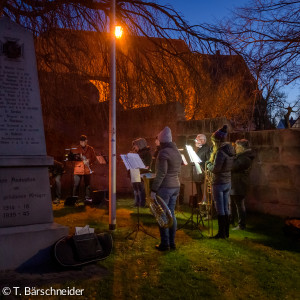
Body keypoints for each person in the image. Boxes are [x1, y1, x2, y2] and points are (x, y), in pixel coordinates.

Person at [150, 127, 182, 251]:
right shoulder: (176, 151)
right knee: (171, 214)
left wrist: (153, 190)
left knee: (162, 216)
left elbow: (161, 173)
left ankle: (165, 244)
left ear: (162, 140)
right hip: (176, 186)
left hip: (165, 187)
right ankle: (172, 243)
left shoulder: (163, 153)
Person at [207, 125, 235, 239]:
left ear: (217, 140)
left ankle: (221, 233)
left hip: (219, 183)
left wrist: (208, 164)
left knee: (220, 208)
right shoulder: (230, 149)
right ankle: (226, 233)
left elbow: (215, 168)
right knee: (226, 207)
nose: (213, 143)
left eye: (213, 141)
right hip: (227, 181)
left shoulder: (220, 152)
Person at [230, 139, 255, 230]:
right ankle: (231, 220)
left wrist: (231, 157)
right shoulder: (241, 156)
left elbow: (232, 167)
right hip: (235, 183)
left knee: (239, 205)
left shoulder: (244, 158)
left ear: (241, 148)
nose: (235, 148)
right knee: (233, 203)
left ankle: (241, 225)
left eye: (236, 146)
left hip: (239, 184)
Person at [72, 135, 97, 202]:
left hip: (87, 169)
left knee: (87, 185)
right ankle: (74, 199)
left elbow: (94, 158)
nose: (82, 143)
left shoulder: (90, 148)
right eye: (81, 141)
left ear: (86, 141)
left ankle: (87, 198)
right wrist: (78, 159)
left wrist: (89, 160)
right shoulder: (76, 149)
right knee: (76, 184)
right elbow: (73, 159)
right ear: (80, 142)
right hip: (78, 169)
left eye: (84, 141)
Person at [131, 138, 152, 207]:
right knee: (135, 189)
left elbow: (147, 164)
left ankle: (141, 203)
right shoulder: (137, 153)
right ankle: (136, 202)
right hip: (135, 172)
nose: (134, 147)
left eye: (136, 145)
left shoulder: (147, 153)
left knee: (141, 189)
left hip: (142, 173)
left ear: (140, 145)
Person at [194, 134, 211, 204]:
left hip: (203, 174)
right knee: (198, 191)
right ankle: (200, 207)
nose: (196, 142)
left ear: (203, 140)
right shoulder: (199, 149)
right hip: (198, 174)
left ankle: (204, 207)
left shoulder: (207, 149)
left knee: (203, 192)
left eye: (197, 140)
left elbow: (208, 161)